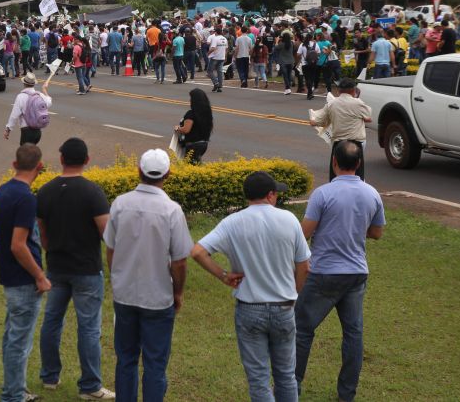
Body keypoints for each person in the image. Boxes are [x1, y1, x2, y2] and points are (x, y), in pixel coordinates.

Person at [191, 171, 310, 402]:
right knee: (286, 375)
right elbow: (304, 266)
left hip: (249, 308)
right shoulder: (289, 220)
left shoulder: (232, 222)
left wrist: (223, 275)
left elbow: (198, 252)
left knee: (258, 379)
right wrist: (293, 293)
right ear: (270, 195)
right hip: (284, 306)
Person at [294, 141, 385, 402]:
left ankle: (292, 388)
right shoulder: (372, 194)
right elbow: (377, 232)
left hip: (323, 273)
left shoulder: (322, 194)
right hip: (356, 273)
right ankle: (346, 395)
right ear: (359, 164)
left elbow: (304, 233)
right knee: (353, 335)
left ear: (334, 162)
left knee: (302, 330)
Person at [103, 149, 193, 402]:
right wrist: (178, 292)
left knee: (126, 359)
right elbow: (180, 261)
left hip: (125, 294)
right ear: (168, 174)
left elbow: (111, 249)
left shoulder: (120, 203)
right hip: (158, 296)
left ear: (139, 171)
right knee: (155, 363)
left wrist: (118, 278)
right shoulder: (172, 210)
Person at [36, 138, 115, 400]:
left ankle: (49, 376)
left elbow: (42, 234)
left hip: (56, 267)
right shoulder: (93, 192)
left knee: (51, 321)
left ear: (61, 159)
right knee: (89, 327)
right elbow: (106, 233)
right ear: (87, 160)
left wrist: (52, 250)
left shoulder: (45, 191)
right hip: (87, 270)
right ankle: (90, 386)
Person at [0, 144, 51, 402]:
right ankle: (13, 394)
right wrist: (39, 275)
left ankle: (15, 387)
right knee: (20, 340)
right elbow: (19, 245)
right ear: (39, 167)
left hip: (9, 275)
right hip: (23, 280)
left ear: (14, 164)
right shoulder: (26, 198)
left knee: (12, 336)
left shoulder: (3, 191)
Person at [309, 78, 372, 181]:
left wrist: (312, 120)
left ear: (338, 91)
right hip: (356, 144)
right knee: (358, 175)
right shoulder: (358, 103)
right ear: (353, 91)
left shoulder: (331, 104)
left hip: (339, 144)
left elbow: (319, 122)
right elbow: (368, 118)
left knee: (336, 175)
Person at [4, 73, 52, 145]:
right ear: (34, 84)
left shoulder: (21, 97)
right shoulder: (39, 95)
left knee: (24, 154)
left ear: (24, 83)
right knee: (32, 152)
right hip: (38, 131)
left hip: (27, 131)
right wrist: (44, 89)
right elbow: (49, 102)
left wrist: (8, 129)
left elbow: (14, 115)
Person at [174, 88, 213, 164]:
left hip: (193, 145)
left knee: (189, 166)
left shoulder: (191, 114)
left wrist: (178, 128)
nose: (190, 100)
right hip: (204, 143)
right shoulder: (207, 113)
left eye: (191, 98)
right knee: (196, 163)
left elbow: (186, 130)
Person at [206, 27, 227, 92]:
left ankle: (216, 83)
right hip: (222, 57)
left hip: (215, 57)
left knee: (209, 71)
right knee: (219, 71)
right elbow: (226, 49)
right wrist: (225, 56)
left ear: (216, 32)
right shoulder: (224, 38)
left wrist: (208, 53)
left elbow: (212, 48)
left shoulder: (215, 38)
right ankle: (219, 86)